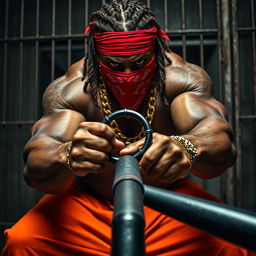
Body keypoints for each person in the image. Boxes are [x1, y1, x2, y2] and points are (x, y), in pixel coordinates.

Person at [2, 1, 254, 255]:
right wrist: (66, 155)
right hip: (90, 204)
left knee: (231, 244)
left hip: (167, 201)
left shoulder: (180, 79)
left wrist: (188, 147)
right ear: (95, 55)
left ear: (156, 51)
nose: (128, 74)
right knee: (22, 241)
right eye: (114, 65)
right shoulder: (74, 89)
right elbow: (35, 164)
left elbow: (219, 138)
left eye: (140, 62)